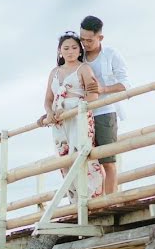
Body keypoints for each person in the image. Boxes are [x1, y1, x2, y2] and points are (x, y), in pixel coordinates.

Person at [38, 31, 105, 201]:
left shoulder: (84, 68)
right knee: (64, 159)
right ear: (60, 50)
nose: (70, 51)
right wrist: (49, 112)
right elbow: (48, 99)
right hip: (60, 122)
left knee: (83, 156)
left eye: (74, 47)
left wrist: (73, 108)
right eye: (66, 48)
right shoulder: (54, 72)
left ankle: (93, 199)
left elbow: (93, 95)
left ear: (80, 50)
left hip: (78, 117)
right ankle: (76, 202)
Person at [79, 15, 129, 195]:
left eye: (89, 40)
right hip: (83, 115)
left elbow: (125, 84)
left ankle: (110, 201)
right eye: (82, 39)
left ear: (100, 37)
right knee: (86, 163)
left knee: (108, 162)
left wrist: (103, 88)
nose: (85, 43)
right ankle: (92, 203)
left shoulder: (111, 54)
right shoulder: (79, 56)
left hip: (105, 112)